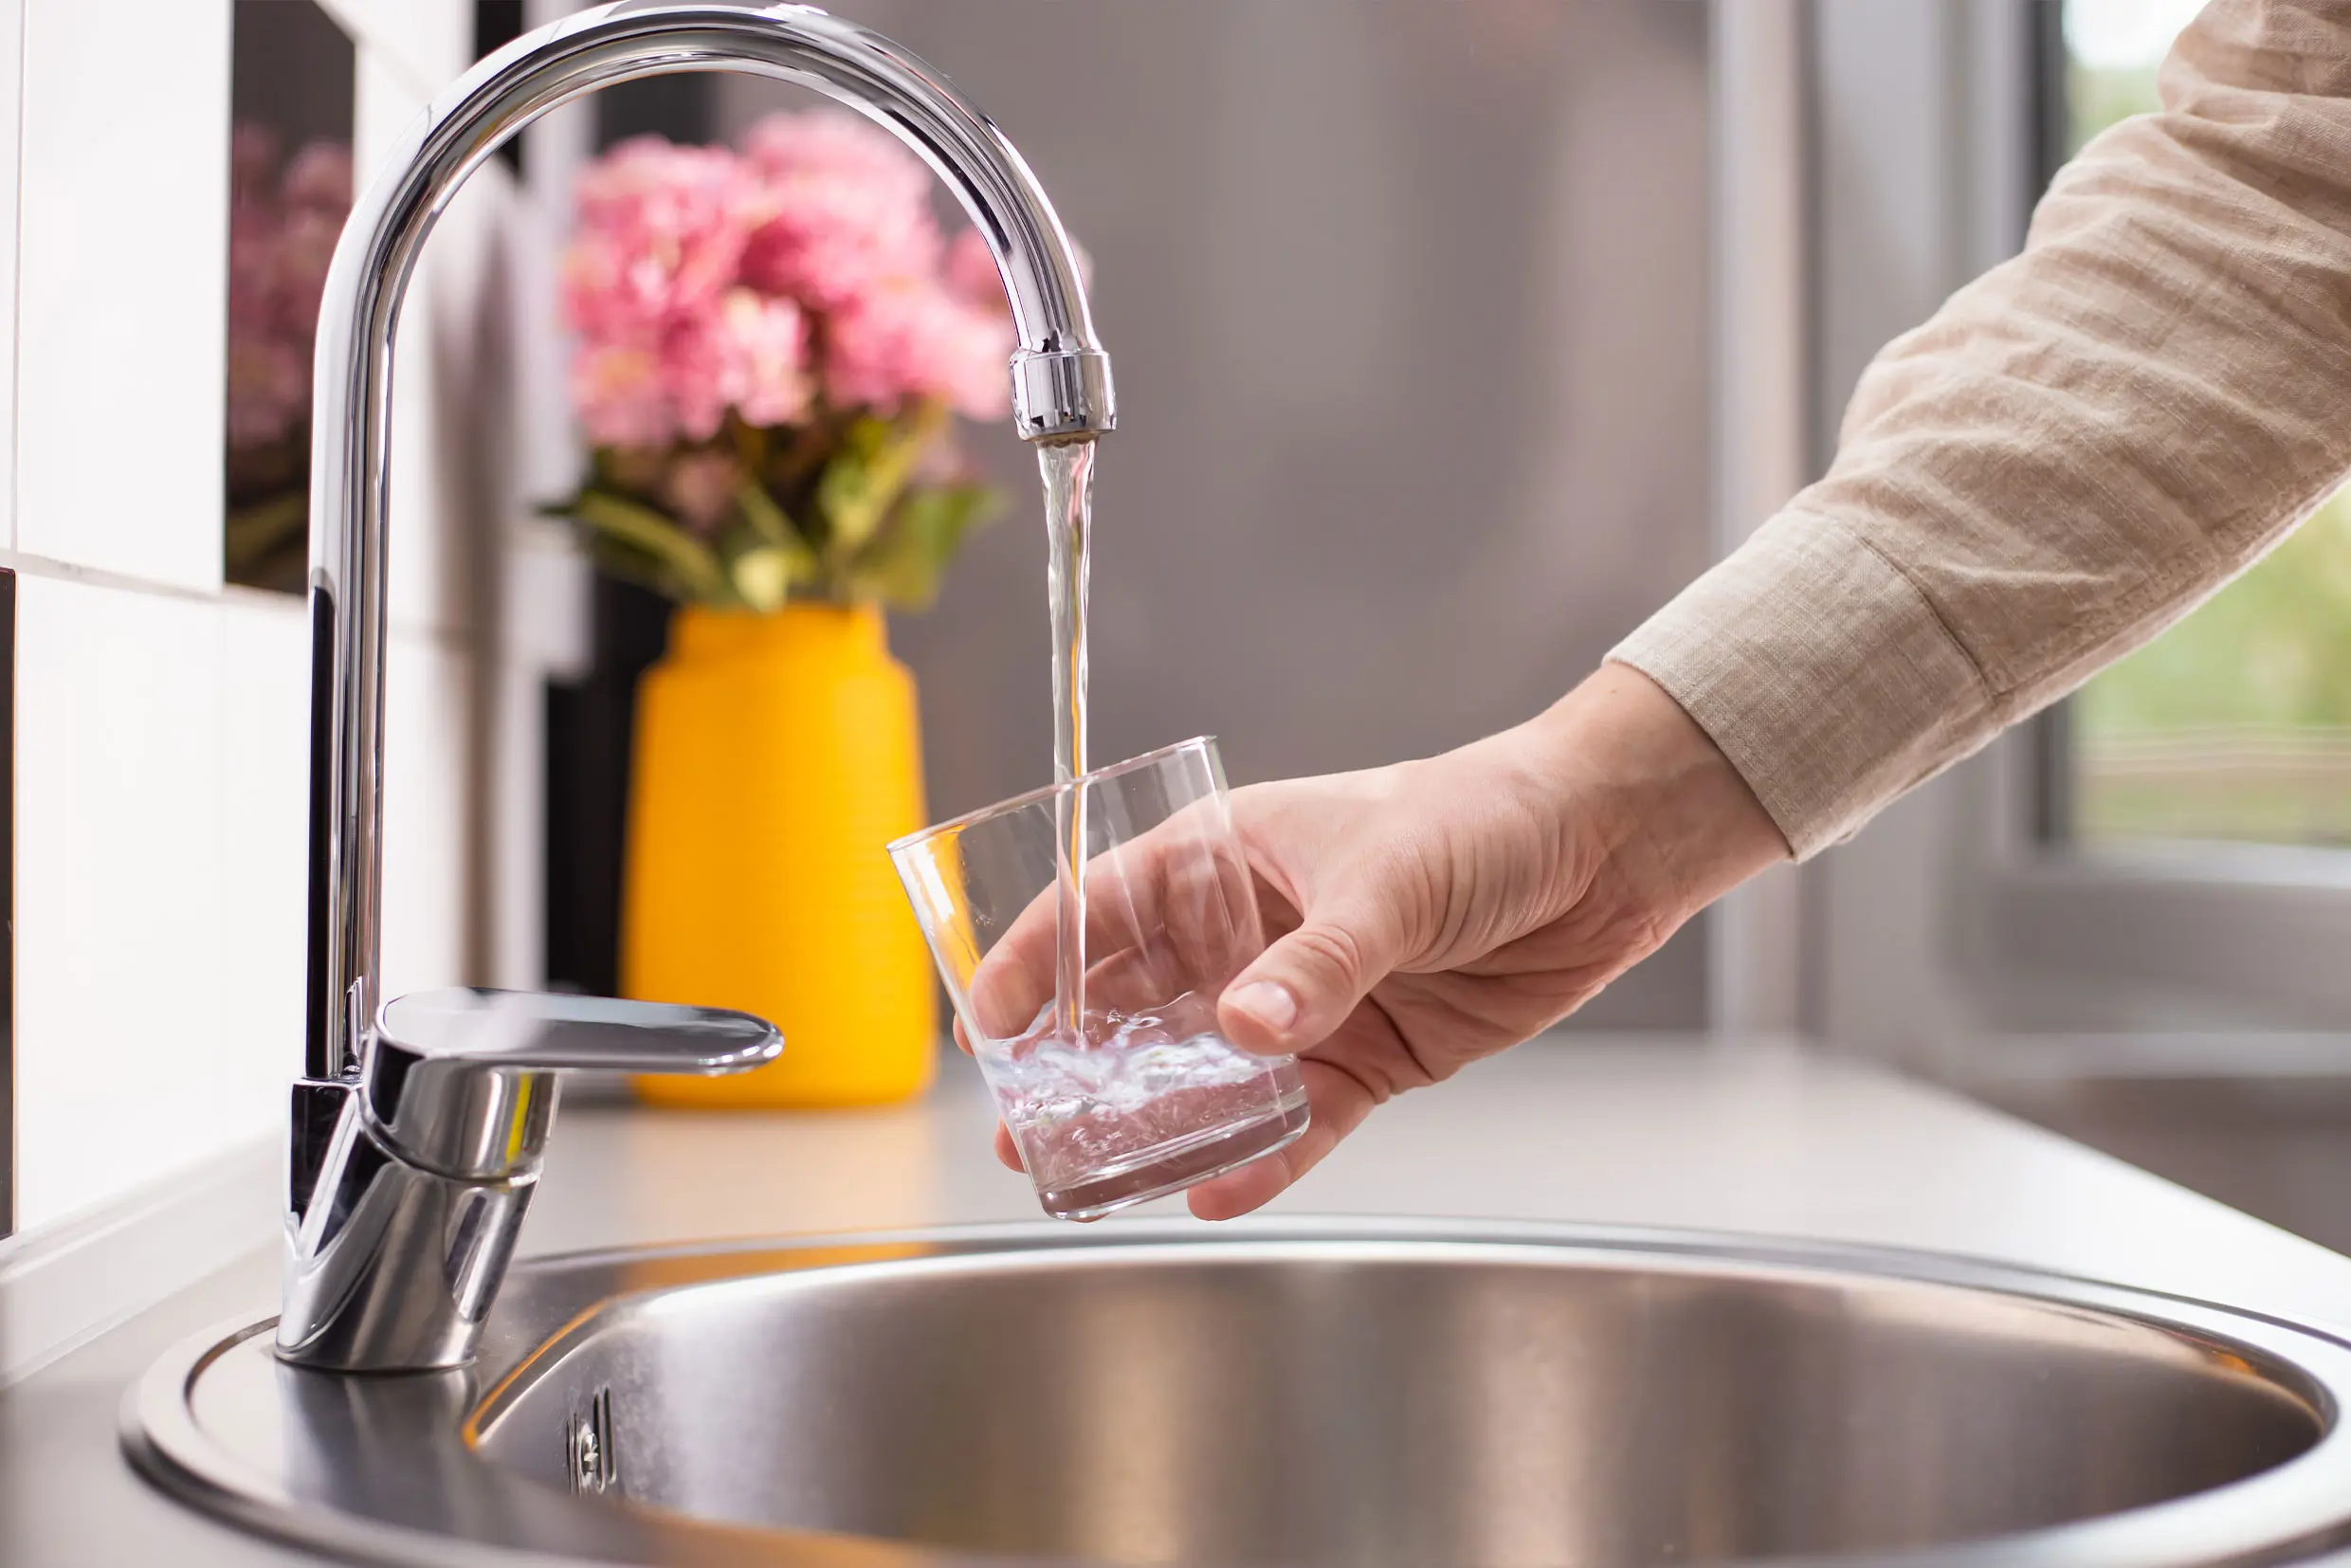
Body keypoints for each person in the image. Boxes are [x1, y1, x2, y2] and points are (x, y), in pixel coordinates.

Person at [982, 0, 2351, 1217]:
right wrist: (1580, 803)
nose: (1397, 33)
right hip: (1797, 777)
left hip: (1840, 809)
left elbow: (1581, 523)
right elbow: (2290, 182)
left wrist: (1450, 734)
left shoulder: (1643, 138)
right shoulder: (1613, 137)